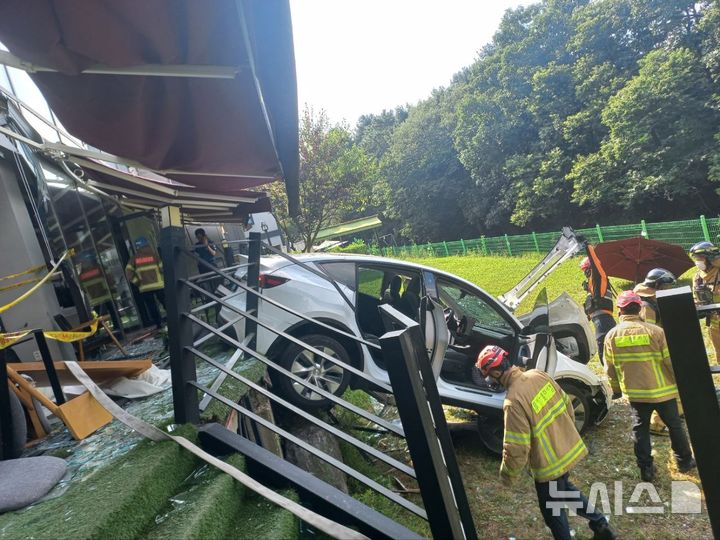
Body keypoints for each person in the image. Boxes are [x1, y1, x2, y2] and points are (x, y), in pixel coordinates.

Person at [476, 345, 616, 540]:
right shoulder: (538, 375)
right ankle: (601, 526)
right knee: (565, 490)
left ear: (498, 372)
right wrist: (566, 434)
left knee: (553, 513)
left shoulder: (513, 401)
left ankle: (599, 526)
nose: (490, 380)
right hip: (566, 450)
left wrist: (508, 476)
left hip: (549, 466)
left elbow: (517, 447)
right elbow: (566, 403)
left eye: (490, 375)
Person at [603, 291, 695, 482]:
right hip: (663, 391)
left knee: (640, 429)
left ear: (620, 310)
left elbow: (609, 367)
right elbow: (670, 362)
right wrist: (681, 383)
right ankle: (684, 461)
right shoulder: (656, 331)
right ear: (639, 308)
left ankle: (646, 469)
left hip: (636, 395)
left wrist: (616, 389)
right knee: (675, 426)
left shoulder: (611, 335)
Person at [633, 268, 679, 435]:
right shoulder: (647, 306)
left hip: (657, 350)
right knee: (668, 386)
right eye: (665, 287)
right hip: (655, 353)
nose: (667, 290)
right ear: (657, 285)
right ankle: (657, 424)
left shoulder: (649, 298)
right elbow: (650, 333)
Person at [580, 255, 616, 365]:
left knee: (604, 346)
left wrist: (587, 247)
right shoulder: (594, 284)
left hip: (603, 321)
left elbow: (595, 266)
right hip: (600, 320)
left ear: (590, 268)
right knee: (606, 345)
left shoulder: (598, 278)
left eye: (585, 270)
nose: (585, 273)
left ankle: (608, 367)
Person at [689, 241, 720, 363]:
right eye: (696, 258)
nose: (698, 261)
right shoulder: (697, 277)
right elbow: (695, 297)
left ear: (710, 258)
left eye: (700, 258)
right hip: (713, 321)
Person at [125, 237, 165, 329]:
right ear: (147, 245)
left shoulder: (134, 259)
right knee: (166, 303)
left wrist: (137, 282)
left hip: (144, 288)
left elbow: (128, 272)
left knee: (152, 307)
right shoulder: (154, 255)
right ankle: (173, 320)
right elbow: (162, 269)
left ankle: (159, 325)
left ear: (137, 247)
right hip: (158, 285)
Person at [77, 250, 122, 330]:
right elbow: (110, 279)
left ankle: (96, 332)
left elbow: (82, 288)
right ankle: (118, 329)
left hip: (95, 299)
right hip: (107, 295)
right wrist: (113, 287)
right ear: (92, 259)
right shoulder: (100, 267)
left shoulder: (81, 274)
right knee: (113, 313)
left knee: (97, 317)